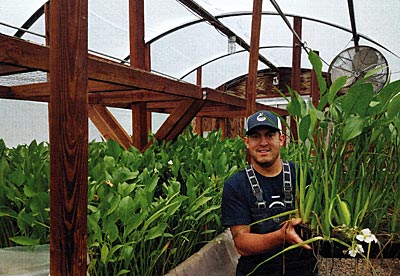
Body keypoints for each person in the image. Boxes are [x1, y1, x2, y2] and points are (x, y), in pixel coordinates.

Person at [221, 110, 317, 276]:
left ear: (281, 139)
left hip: (304, 270)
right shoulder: (235, 185)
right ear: (246, 142)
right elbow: (242, 244)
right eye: (256, 136)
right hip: (255, 272)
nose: (263, 142)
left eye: (270, 135)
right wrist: (281, 236)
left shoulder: (304, 175)